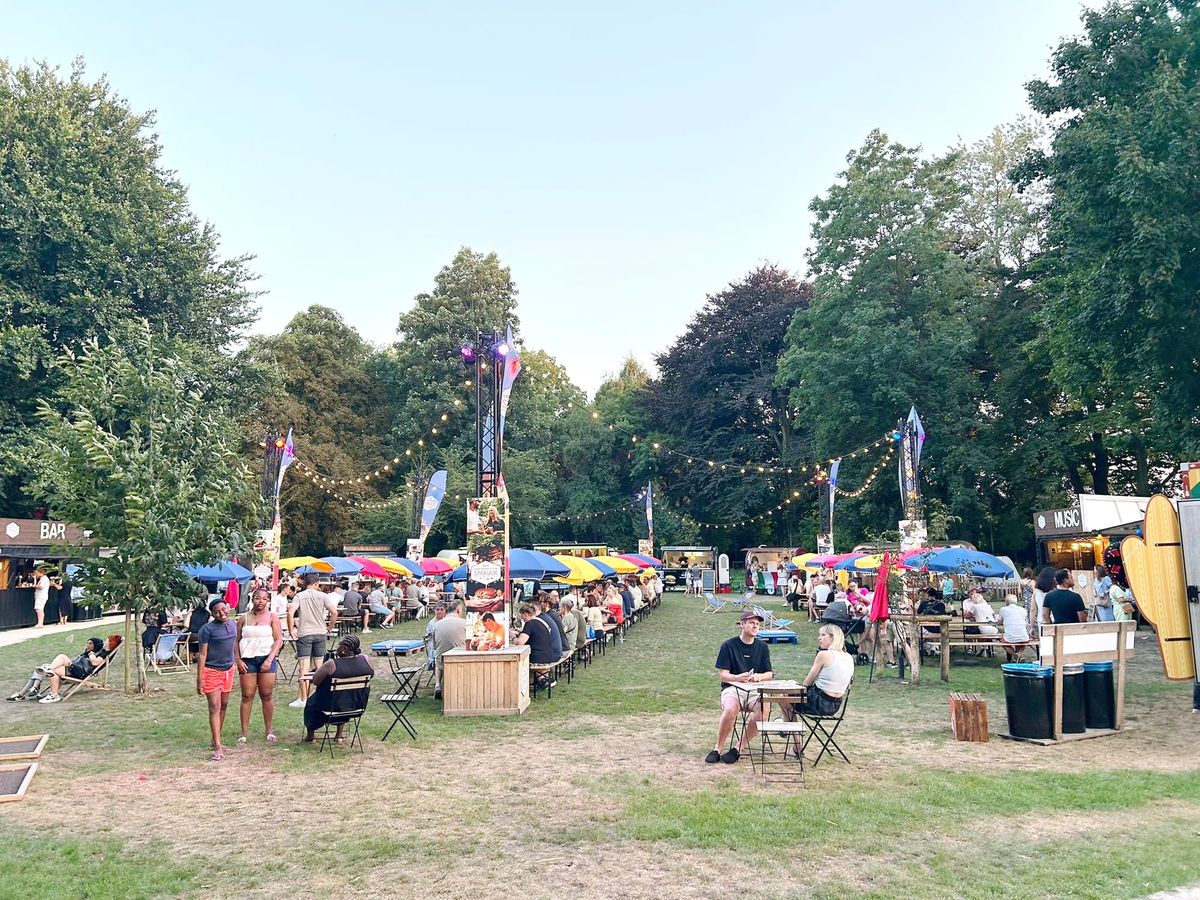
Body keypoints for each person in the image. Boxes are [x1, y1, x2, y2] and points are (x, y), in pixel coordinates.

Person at [706, 610, 773, 765]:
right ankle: (718, 748)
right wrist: (737, 678)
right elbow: (723, 675)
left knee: (765, 710)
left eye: (757, 624)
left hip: (755, 689)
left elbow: (769, 673)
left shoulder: (762, 647)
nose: (755, 626)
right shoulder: (729, 645)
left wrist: (759, 677)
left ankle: (738, 748)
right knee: (730, 709)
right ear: (742, 624)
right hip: (733, 688)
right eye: (751, 623)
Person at [302, 635, 374, 746]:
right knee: (345, 696)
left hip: (329, 706)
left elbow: (316, 681)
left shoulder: (332, 664)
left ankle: (310, 736)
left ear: (344, 649)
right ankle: (339, 735)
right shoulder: (366, 659)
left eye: (339, 646)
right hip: (355, 705)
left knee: (312, 702)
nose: (337, 648)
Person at [235, 588, 283, 746]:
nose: (260, 601)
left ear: (268, 601)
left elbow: (278, 640)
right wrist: (238, 660)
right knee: (247, 695)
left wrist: (270, 659)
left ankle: (269, 731)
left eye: (264, 599)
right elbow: (235, 641)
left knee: (266, 694)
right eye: (257, 598)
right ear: (252, 599)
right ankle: (243, 733)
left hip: (266, 658)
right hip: (247, 659)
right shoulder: (244, 618)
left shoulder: (272, 617)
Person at [288, 572, 338, 709]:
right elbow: (334, 612)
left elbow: (291, 613)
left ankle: (303, 699)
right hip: (320, 632)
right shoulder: (323, 596)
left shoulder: (299, 596)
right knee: (320, 668)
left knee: (303, 669)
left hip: (304, 633)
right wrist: (330, 627)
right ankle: (321, 696)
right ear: (316, 583)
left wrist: (291, 629)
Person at [196, 599, 238, 761]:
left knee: (224, 705)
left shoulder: (233, 624)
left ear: (228, 607)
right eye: (217, 611)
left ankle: (215, 740)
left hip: (229, 669)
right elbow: (202, 654)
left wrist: (237, 661)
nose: (222, 613)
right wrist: (199, 679)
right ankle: (218, 747)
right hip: (212, 671)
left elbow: (234, 644)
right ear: (212, 614)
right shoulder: (207, 630)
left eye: (223, 609)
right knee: (215, 706)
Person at [9, 636, 109, 702]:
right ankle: (26, 691)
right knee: (44, 667)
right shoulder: (88, 652)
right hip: (74, 669)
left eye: (90, 643)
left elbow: (95, 662)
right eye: (88, 643)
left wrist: (91, 654)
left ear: (96, 645)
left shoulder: (102, 653)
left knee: (58, 661)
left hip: (80, 672)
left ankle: (53, 694)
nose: (88, 645)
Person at [796, 624, 854, 716]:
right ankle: (791, 728)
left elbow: (807, 683)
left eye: (823, 635)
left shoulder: (824, 655)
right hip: (836, 705)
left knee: (785, 698)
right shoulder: (849, 657)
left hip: (818, 702)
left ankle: (790, 728)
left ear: (832, 638)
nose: (819, 638)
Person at [431, 601, 467, 700]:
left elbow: (434, 645)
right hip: (459, 660)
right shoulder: (464, 623)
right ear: (458, 610)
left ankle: (438, 685)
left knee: (438, 658)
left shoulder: (437, 624)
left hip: (441, 660)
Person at [997, 594, 1031, 661]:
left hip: (1010, 637)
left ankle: (1014, 654)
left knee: (1001, 642)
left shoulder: (1003, 609)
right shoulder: (1023, 610)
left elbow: (999, 622)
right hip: (1023, 636)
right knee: (1022, 640)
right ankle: (1019, 654)